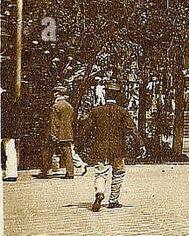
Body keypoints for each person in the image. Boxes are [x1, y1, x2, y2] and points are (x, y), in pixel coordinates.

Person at [81, 83, 139, 212]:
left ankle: (100, 192)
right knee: (118, 173)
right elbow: (132, 129)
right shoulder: (122, 111)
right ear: (118, 96)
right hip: (118, 149)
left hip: (100, 148)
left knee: (100, 173)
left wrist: (80, 144)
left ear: (106, 94)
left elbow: (85, 128)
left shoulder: (96, 111)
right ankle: (113, 200)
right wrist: (139, 144)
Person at [36, 86, 79, 180]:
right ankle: (70, 172)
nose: (54, 94)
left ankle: (45, 171)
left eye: (55, 92)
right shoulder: (69, 106)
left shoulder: (55, 106)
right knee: (67, 153)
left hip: (57, 133)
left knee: (48, 151)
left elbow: (54, 122)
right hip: (67, 132)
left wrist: (53, 134)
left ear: (58, 94)